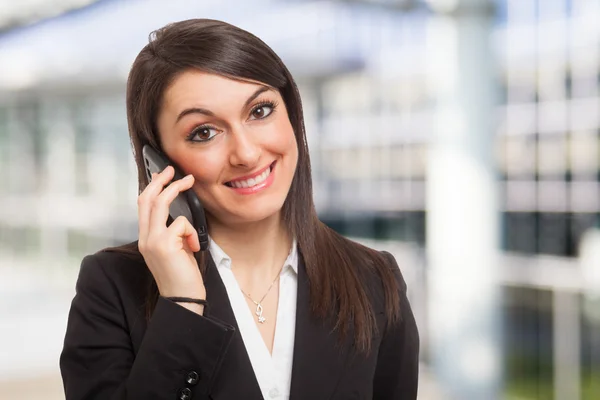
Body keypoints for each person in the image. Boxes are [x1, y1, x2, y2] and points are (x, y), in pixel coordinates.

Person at [59, 18, 419, 400]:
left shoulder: (375, 282)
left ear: (291, 114)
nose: (246, 153)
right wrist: (181, 305)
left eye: (260, 111)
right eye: (204, 132)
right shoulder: (112, 288)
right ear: (159, 162)